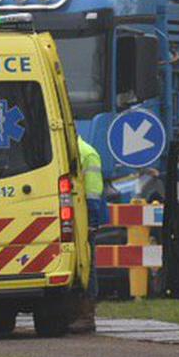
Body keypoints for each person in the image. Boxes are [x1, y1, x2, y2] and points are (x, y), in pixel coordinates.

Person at [71, 136, 105, 335]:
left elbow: (93, 191)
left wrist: (92, 221)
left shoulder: (87, 153)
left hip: (85, 217)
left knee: (88, 265)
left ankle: (87, 315)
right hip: (75, 216)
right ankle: (77, 312)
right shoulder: (73, 150)